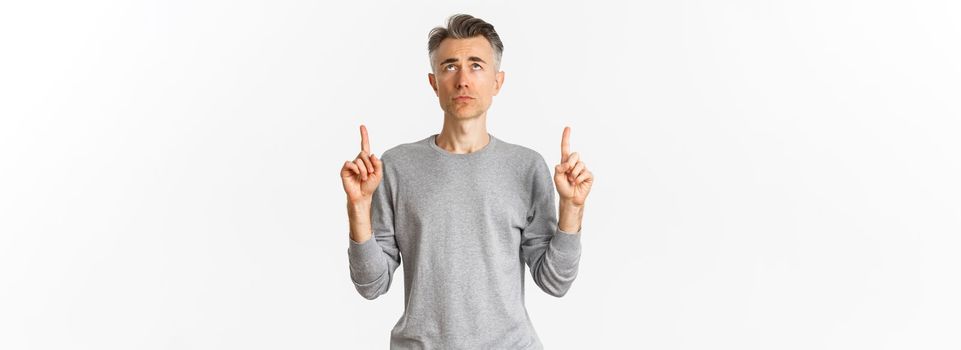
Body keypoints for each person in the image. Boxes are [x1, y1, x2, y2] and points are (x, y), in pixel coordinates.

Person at [340, 14, 594, 349]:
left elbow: (554, 282)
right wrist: (358, 208)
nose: (463, 80)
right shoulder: (396, 166)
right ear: (433, 82)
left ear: (497, 81)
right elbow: (371, 285)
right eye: (449, 66)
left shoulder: (526, 167)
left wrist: (572, 209)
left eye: (476, 65)